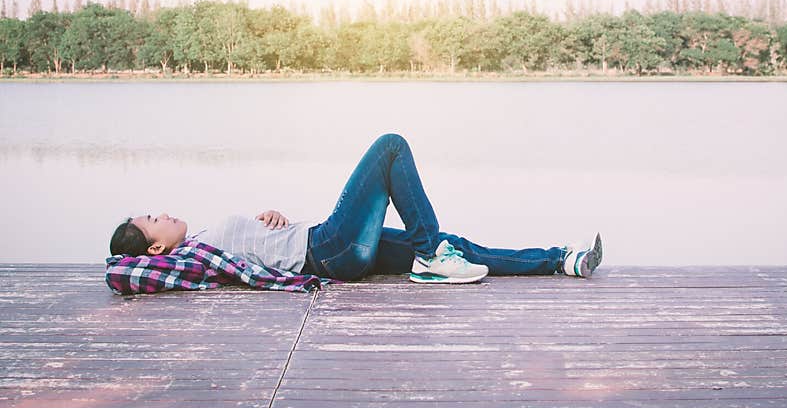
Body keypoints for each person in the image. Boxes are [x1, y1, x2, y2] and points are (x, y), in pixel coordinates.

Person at [109, 133, 602, 285]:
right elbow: (129, 276)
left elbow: (252, 255)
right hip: (329, 247)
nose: (164, 213)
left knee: (455, 244)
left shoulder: (200, 244)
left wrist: (272, 218)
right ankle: (433, 257)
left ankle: (560, 258)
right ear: (154, 245)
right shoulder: (186, 258)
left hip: (328, 245)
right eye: (154, 219)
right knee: (390, 147)